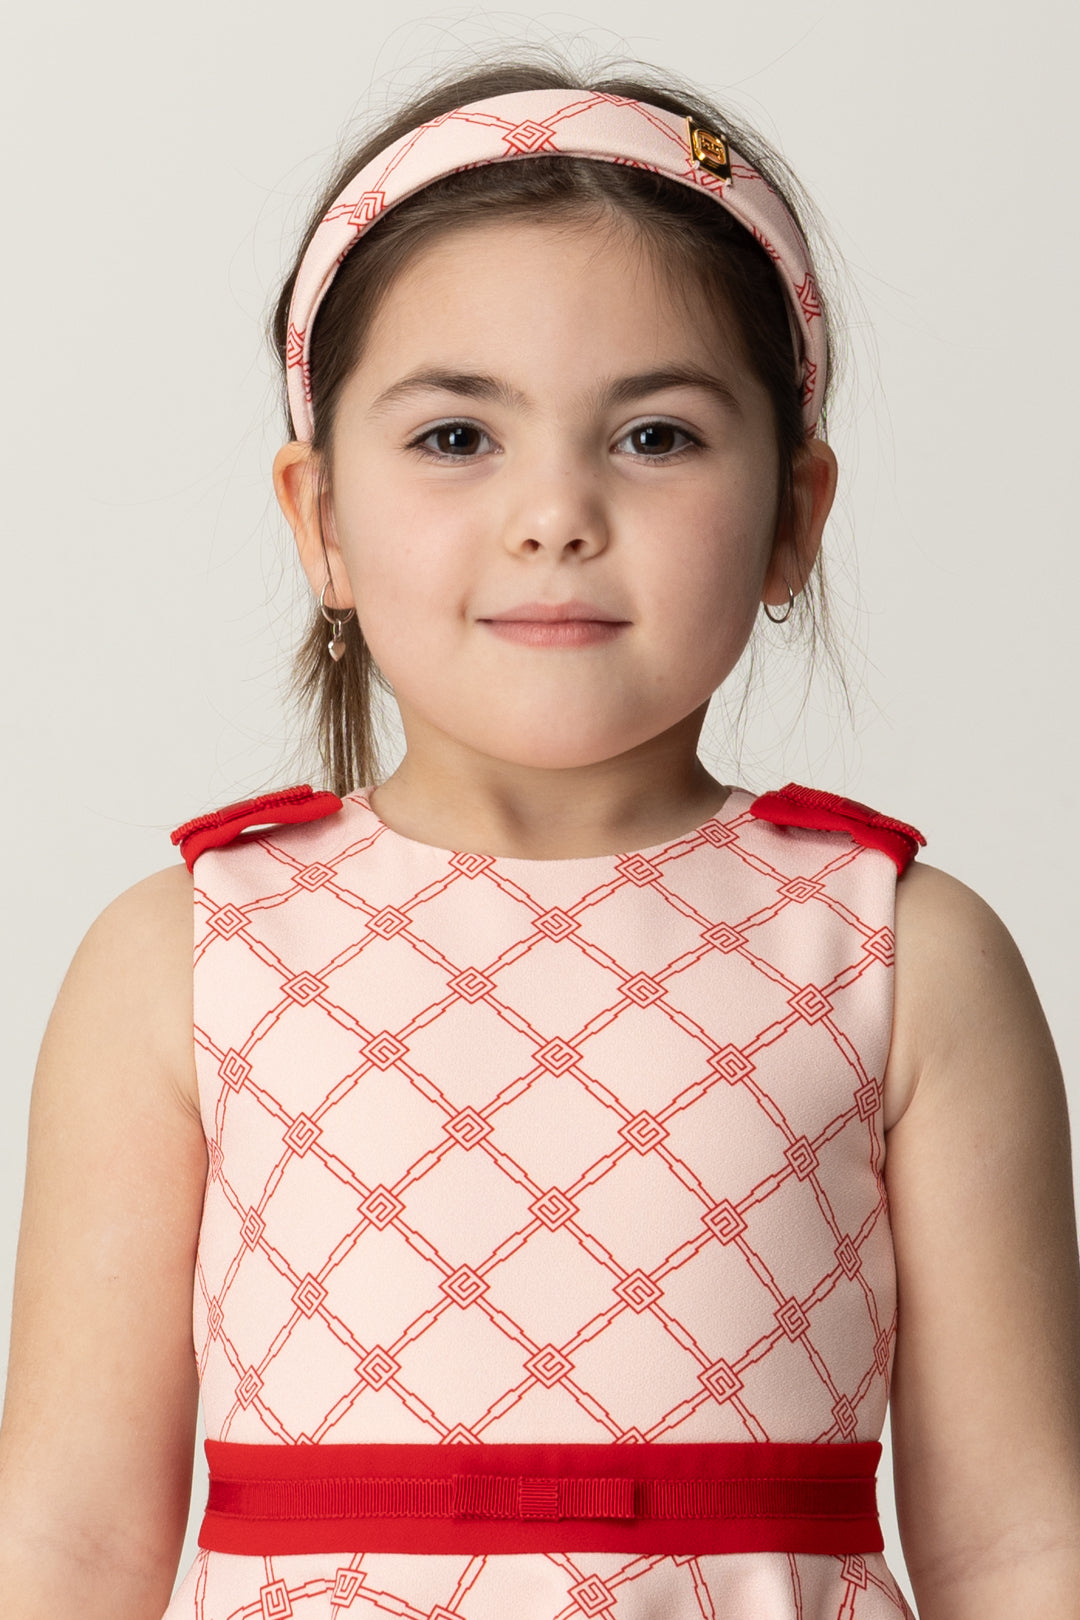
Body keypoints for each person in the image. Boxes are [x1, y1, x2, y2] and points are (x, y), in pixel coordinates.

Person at [2, 48, 1079, 1620]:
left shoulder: (901, 954)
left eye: (655, 436)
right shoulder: (185, 955)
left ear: (794, 515)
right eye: (457, 436)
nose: (555, 512)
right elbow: (69, 1544)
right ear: (321, 520)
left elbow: (1020, 1546)